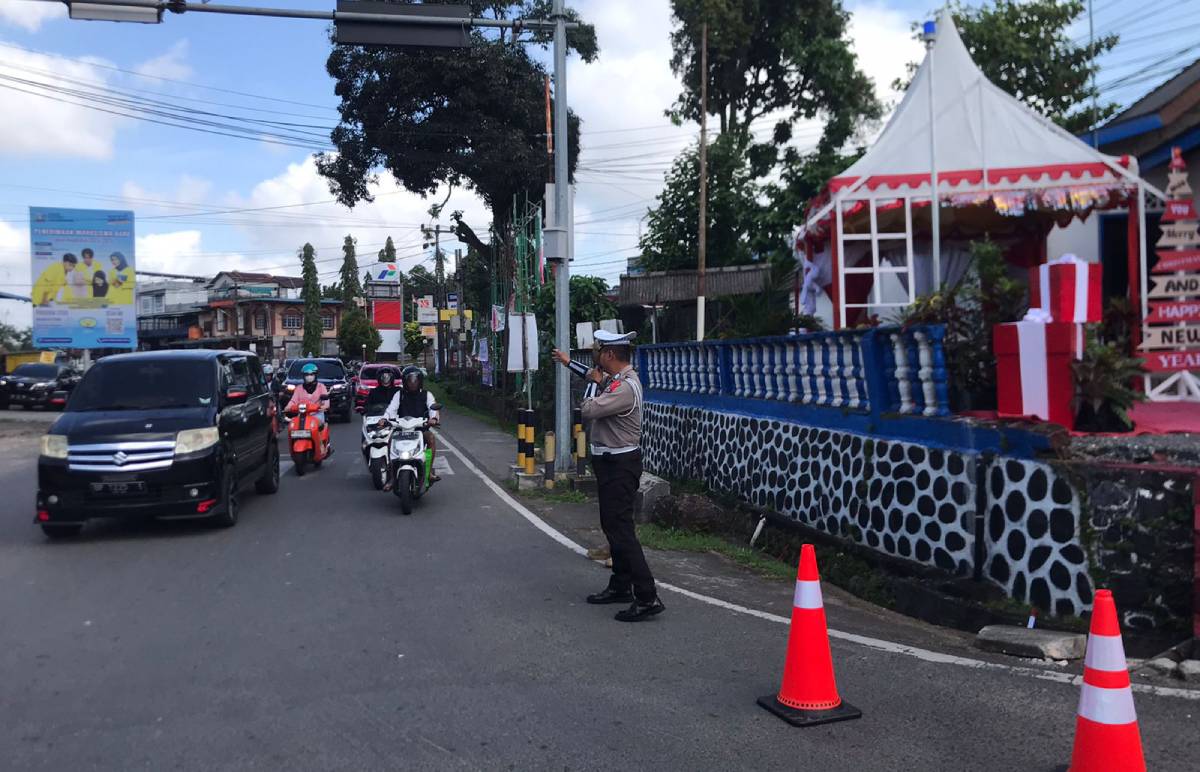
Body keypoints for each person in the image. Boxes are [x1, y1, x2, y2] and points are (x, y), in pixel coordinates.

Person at [553, 330, 663, 623]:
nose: (597, 356)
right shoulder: (617, 381)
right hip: (612, 463)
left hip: (620, 464)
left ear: (610, 355)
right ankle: (620, 586)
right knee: (612, 525)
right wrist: (568, 363)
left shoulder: (625, 388)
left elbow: (588, 409)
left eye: (600, 351)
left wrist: (592, 380)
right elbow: (593, 376)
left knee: (621, 530)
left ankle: (647, 595)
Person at [381, 365, 440, 488]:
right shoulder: (399, 394)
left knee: (431, 439)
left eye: (415, 380)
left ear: (420, 381)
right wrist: (384, 419)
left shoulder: (426, 395)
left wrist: (433, 419)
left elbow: (432, 408)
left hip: (420, 429)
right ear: (405, 381)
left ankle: (429, 473)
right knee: (390, 440)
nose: (413, 383)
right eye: (410, 380)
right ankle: (392, 477)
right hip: (401, 429)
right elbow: (391, 409)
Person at [284, 363, 331, 450]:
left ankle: (321, 446)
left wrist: (324, 407)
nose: (309, 376)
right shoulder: (299, 388)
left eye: (311, 374)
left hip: (317, 414)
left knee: (317, 427)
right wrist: (288, 407)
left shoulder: (321, 387)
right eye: (307, 375)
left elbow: (326, 401)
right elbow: (293, 400)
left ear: (315, 375)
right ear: (303, 376)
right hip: (302, 415)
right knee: (293, 427)